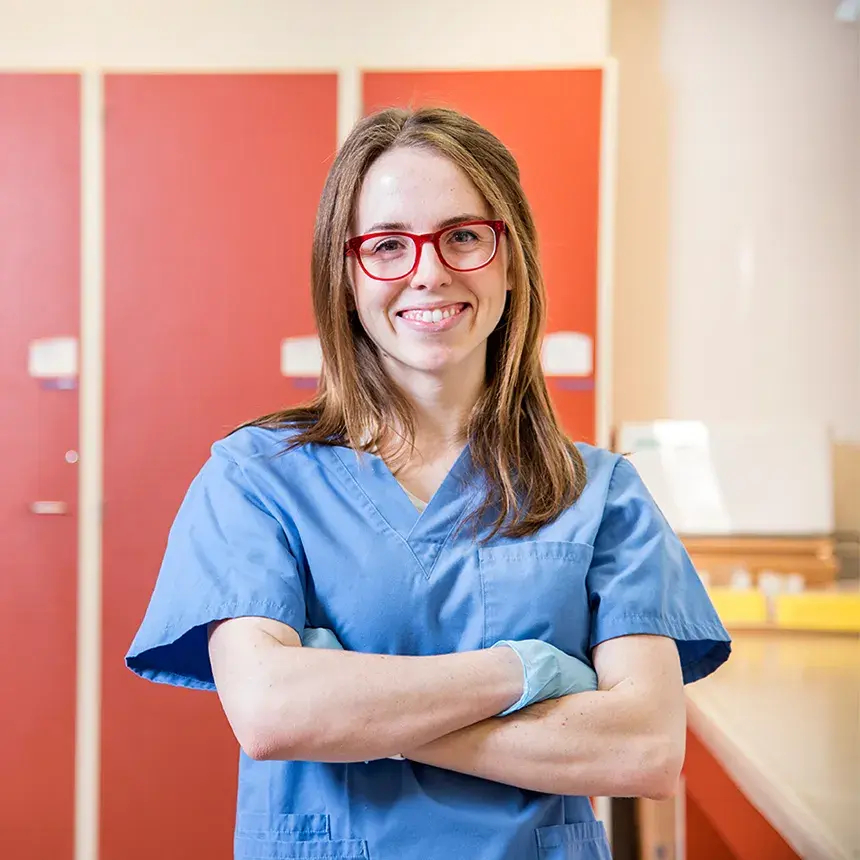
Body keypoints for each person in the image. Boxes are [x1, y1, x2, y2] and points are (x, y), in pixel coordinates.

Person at [126, 106, 730, 860]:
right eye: (386, 245)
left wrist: (353, 706)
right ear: (345, 278)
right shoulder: (256, 480)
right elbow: (273, 713)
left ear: (511, 261)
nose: (429, 270)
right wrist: (530, 671)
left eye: (464, 236)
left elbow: (642, 751)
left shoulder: (599, 494)